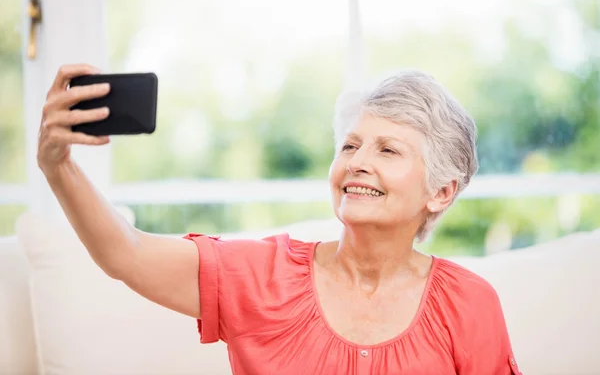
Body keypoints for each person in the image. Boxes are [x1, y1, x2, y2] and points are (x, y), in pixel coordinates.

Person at [38, 64, 522, 375]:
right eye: (350, 145)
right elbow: (128, 253)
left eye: (388, 150)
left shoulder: (468, 305)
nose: (355, 162)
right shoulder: (261, 276)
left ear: (440, 191)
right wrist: (57, 166)